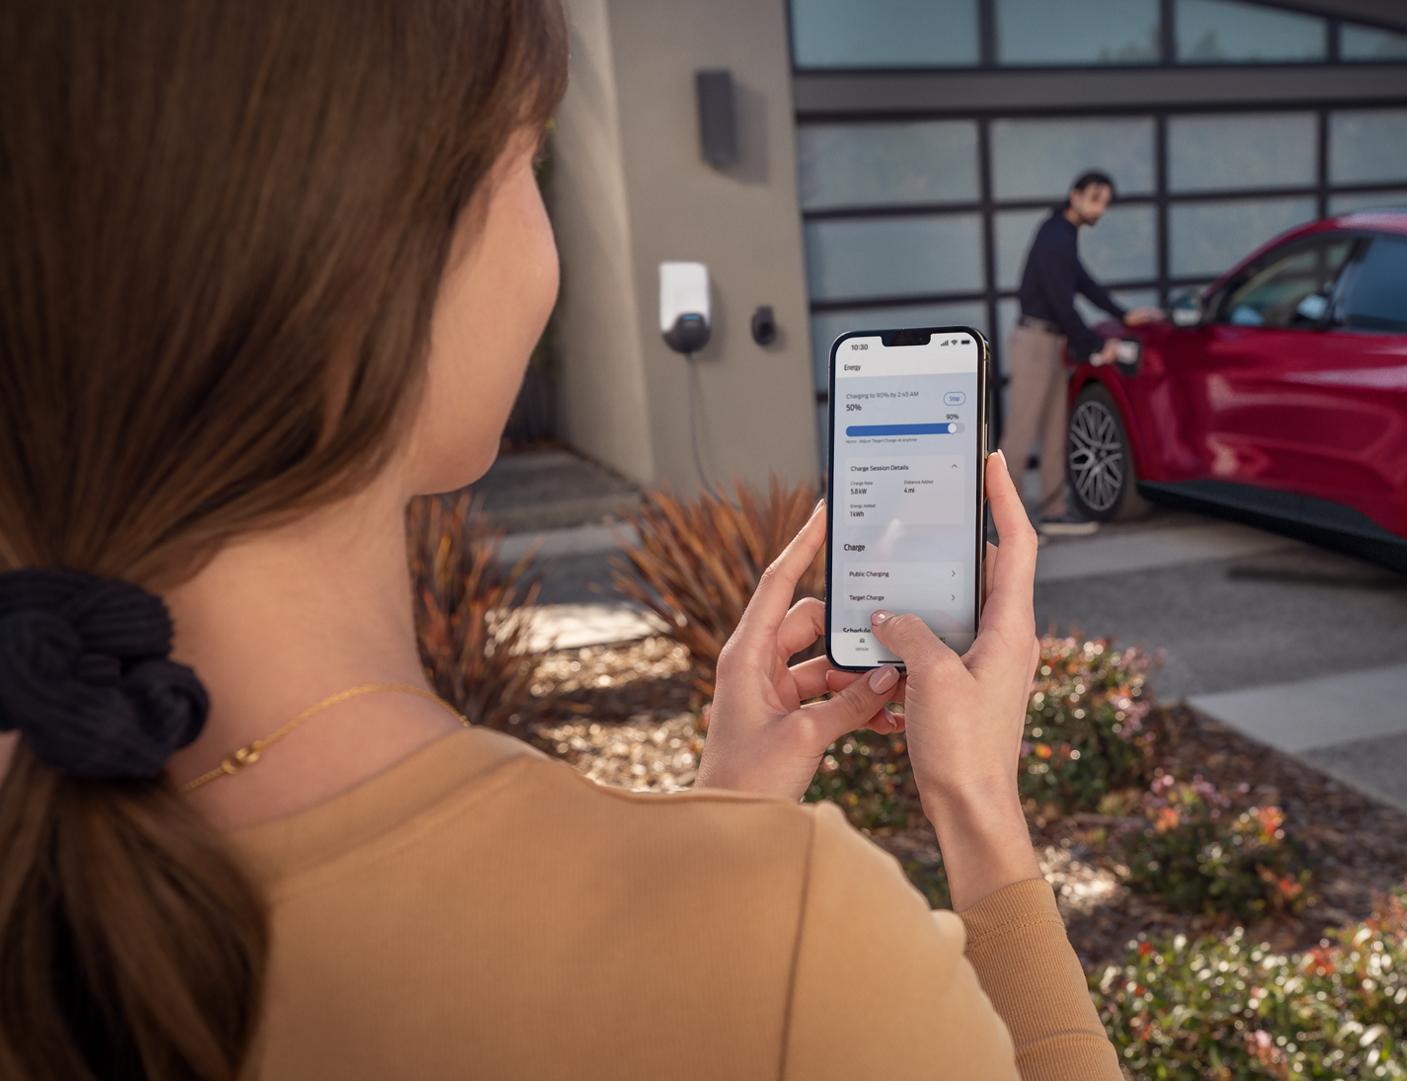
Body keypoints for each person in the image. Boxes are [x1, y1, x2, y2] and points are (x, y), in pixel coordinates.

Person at [0, 3, 1121, 1080]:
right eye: (526, 162)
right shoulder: (798, 946)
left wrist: (723, 813)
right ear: (375, 265)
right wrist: (975, 807)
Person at [1000, 170, 1163, 537]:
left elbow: (1082, 282)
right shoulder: (1054, 234)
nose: (1099, 209)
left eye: (1104, 203)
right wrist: (1093, 345)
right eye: (1094, 199)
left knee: (1056, 427)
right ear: (1075, 195)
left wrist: (1122, 314)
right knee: (1020, 434)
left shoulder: (1064, 232)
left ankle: (1055, 513)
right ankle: (1004, 524)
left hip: (1054, 341)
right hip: (1035, 341)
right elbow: (1061, 301)